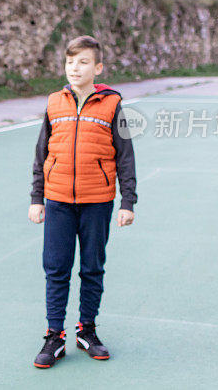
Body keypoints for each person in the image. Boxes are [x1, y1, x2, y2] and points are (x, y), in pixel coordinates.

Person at [29, 35, 137, 368]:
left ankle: (87, 330)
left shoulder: (112, 105)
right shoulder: (53, 103)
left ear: (98, 67)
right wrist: (37, 197)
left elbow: (126, 157)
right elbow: (41, 153)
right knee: (56, 270)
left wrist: (127, 202)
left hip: (97, 202)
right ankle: (54, 336)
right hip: (58, 200)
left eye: (83, 62)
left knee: (92, 269)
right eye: (70, 62)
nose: (75, 68)